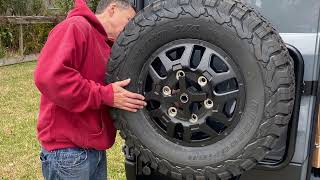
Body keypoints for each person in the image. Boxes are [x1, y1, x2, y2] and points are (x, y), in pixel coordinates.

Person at [34, 0, 146, 179]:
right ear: (112, 9)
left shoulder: (106, 44)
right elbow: (49, 77)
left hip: (92, 150)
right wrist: (105, 95)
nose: (131, 29)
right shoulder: (75, 27)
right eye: (129, 21)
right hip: (68, 152)